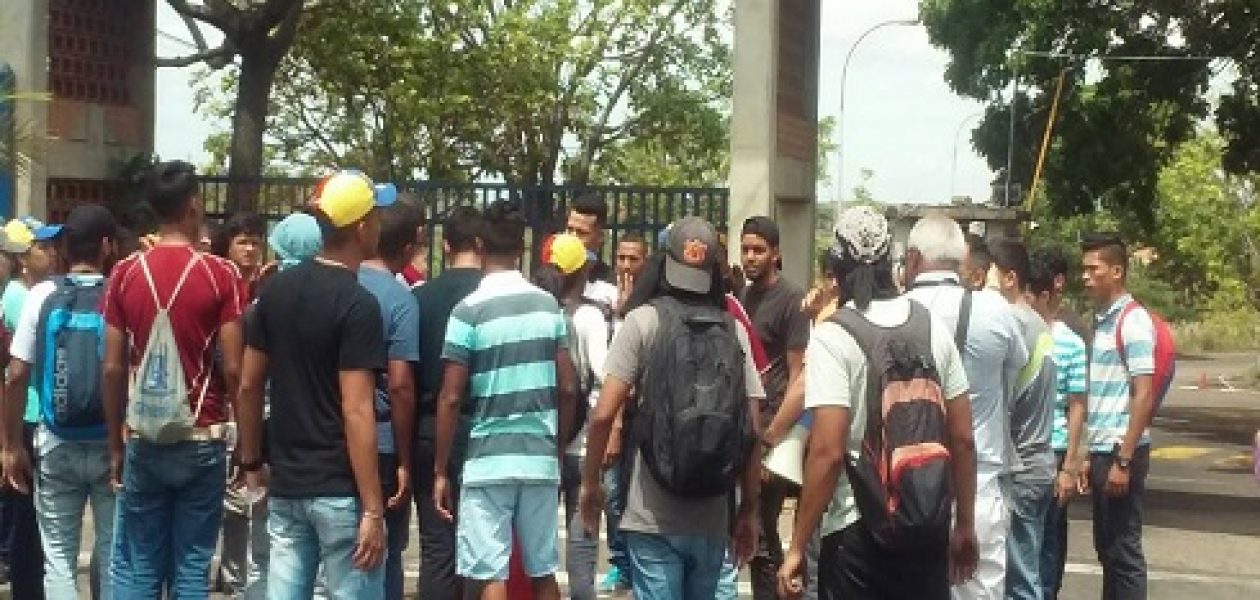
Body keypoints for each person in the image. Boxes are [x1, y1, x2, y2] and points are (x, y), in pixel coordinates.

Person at [777, 205, 978, 600]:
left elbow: (827, 452)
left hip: (857, 531)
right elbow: (963, 438)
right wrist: (965, 524)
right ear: (893, 262)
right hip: (926, 524)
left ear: (837, 268)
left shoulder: (835, 336)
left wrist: (798, 545)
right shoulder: (930, 326)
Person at [578, 216, 762, 600]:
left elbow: (602, 414)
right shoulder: (734, 330)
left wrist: (590, 483)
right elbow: (752, 431)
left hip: (652, 513)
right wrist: (749, 510)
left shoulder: (643, 322)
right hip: (713, 512)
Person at [236, 171, 395, 599]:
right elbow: (357, 408)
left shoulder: (274, 293)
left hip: (287, 483)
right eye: (377, 216)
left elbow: (249, 386)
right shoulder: (358, 304)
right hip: (340, 487)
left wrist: (252, 461)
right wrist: (373, 509)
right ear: (361, 227)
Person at [102, 160, 247, 597]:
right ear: (192, 205)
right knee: (192, 563)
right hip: (202, 435)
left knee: (140, 562)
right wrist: (245, 440)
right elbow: (235, 366)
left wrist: (115, 442)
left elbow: (111, 366)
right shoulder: (222, 274)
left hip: (144, 436)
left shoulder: (125, 273)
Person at [432, 201, 577, 600]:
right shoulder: (548, 306)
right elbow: (568, 387)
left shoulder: (468, 311)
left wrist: (441, 468)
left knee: (489, 573)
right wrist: (558, 446)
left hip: (487, 459)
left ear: (478, 245)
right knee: (542, 570)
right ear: (522, 247)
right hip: (539, 456)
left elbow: (450, 396)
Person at [901, 214, 1027, 600]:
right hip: (981, 484)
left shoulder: (893, 314)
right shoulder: (996, 313)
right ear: (962, 260)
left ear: (912, 258)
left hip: (907, 489)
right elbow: (1016, 375)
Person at [2, 205, 117, 600]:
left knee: (60, 558)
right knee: (111, 550)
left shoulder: (41, 296)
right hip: (110, 443)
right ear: (107, 246)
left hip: (56, 440)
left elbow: (16, 374)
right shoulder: (120, 291)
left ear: (65, 248)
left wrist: (10, 444)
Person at [227, 212, 326, 600]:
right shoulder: (340, 296)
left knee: (268, 548)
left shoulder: (263, 304)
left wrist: (249, 456)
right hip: (324, 443)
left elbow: (248, 382)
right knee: (321, 564)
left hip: (273, 437)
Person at [412, 206, 484, 600]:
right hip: (483, 425)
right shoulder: (494, 299)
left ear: (445, 245)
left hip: (427, 427)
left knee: (437, 548)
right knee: (483, 549)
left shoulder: (421, 298)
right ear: (481, 244)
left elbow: (405, 376)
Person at [533, 233, 609, 600]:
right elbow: (604, 376)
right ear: (583, 271)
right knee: (582, 542)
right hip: (581, 444)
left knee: (539, 545)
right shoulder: (591, 316)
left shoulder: (536, 313)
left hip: (541, 442)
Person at [1080, 233, 1155, 600]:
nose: (1086, 277)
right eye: (1084, 269)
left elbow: (1144, 393)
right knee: (1107, 549)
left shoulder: (1133, 320)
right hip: (1102, 449)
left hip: (1121, 451)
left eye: (1094, 269)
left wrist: (1123, 460)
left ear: (1117, 271)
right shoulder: (1103, 321)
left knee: (1123, 552)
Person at [738, 216, 809, 600]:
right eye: (746, 248)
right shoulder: (743, 298)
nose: (750, 257)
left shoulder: (792, 301)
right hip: (749, 432)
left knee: (763, 534)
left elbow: (800, 378)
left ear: (776, 253)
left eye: (758, 250)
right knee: (749, 531)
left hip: (774, 436)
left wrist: (771, 440)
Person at [355, 198, 422, 600]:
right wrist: (404, 459)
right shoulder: (400, 300)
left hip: (330, 437)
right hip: (380, 441)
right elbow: (400, 385)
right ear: (410, 245)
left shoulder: (342, 282)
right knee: (384, 551)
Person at [989, 239, 1057, 600]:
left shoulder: (1011, 324)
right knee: (1028, 569)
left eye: (988, 275)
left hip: (1021, 466)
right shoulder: (1039, 324)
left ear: (1009, 278)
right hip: (1040, 459)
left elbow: (1003, 399)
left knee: (1019, 578)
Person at [0, 216, 60, 599]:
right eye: (41, 248)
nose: (51, 253)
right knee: (26, 517)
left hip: (33, 412)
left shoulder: (36, 293)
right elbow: (17, 370)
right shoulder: (24, 297)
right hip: (28, 413)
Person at [1028, 248, 1088, 600]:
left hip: (1054, 449)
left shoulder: (1071, 342)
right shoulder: (1019, 335)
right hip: (1022, 452)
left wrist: (1069, 467)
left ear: (1046, 296)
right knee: (1024, 538)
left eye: (1030, 296)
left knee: (1049, 538)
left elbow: (1077, 406)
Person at [599, 232, 649, 593]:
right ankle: (620, 561)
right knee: (612, 494)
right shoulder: (600, 298)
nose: (627, 266)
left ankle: (636, 563)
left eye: (634, 259)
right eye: (622, 258)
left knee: (636, 495)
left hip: (639, 418)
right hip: (605, 411)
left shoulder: (648, 305)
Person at [565, 194, 617, 305]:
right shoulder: (547, 277)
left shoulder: (611, 287)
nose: (573, 238)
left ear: (600, 237)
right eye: (569, 230)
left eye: (582, 233)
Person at [212, 212, 266, 297]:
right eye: (242, 243)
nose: (249, 249)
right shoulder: (215, 281)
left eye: (255, 243)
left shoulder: (266, 283)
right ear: (228, 245)